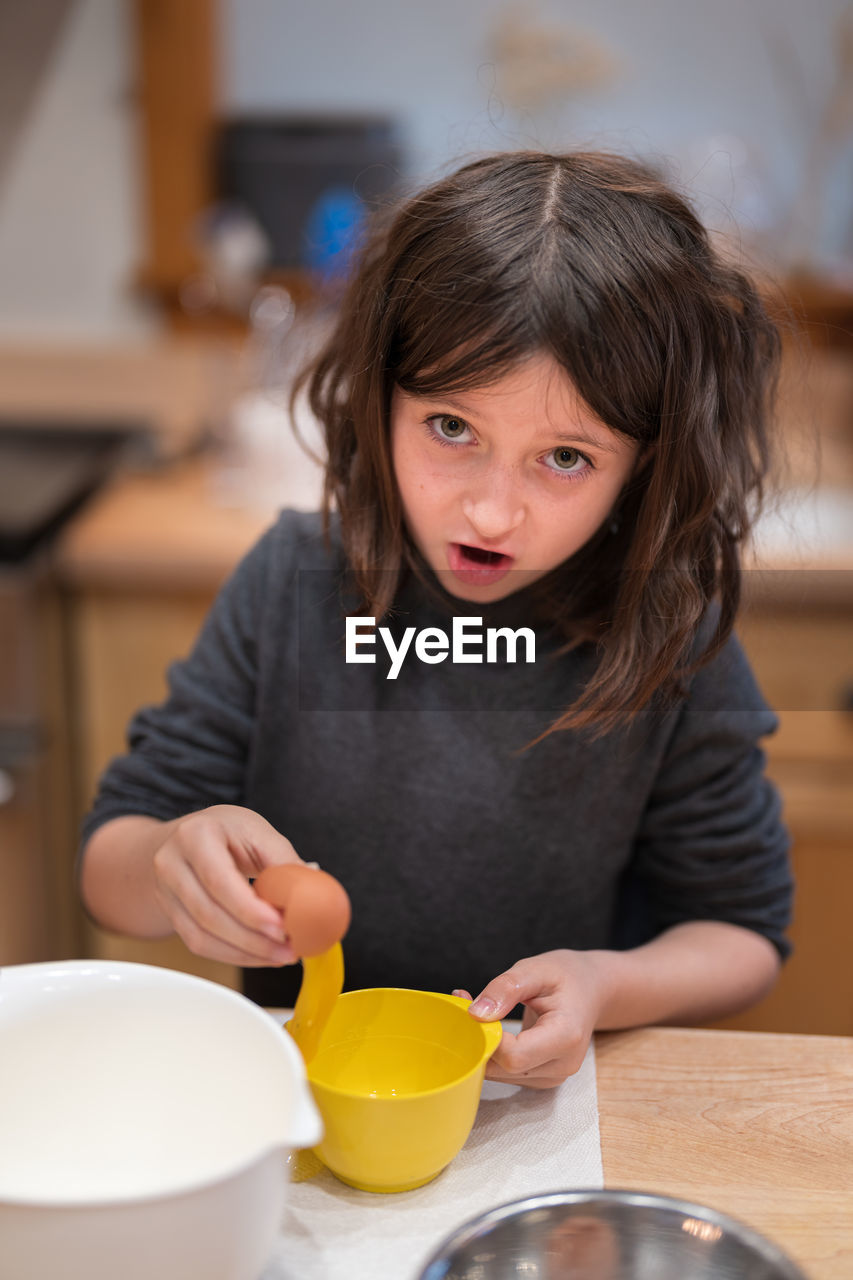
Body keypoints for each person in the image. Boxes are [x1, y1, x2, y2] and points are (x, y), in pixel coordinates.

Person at [78, 150, 793, 1089]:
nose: (491, 513)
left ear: (644, 467)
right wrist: (173, 859)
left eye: (566, 458)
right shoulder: (296, 579)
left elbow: (743, 930)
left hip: (544, 1115)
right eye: (452, 429)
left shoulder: (668, 627)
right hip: (311, 1097)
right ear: (378, 401)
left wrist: (602, 984)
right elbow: (109, 863)